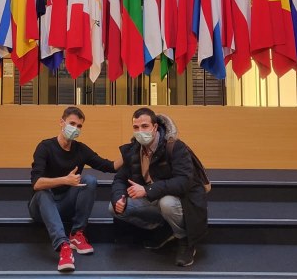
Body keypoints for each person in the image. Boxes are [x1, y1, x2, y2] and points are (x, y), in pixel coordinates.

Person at [110, 107, 208, 267]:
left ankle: (185, 241)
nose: (140, 131)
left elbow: (183, 181)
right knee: (113, 208)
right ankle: (167, 228)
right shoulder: (134, 149)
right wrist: (118, 198)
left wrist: (147, 190)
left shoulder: (174, 147)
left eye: (145, 126)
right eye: (136, 127)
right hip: (152, 197)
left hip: (182, 201)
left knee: (167, 203)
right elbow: (120, 179)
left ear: (155, 127)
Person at [29, 106, 122, 273]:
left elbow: (109, 166)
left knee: (90, 180)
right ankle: (63, 246)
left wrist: (130, 152)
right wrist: (65, 180)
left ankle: (77, 234)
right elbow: (36, 183)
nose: (76, 128)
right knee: (43, 192)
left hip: (65, 205)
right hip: (41, 207)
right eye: (72, 123)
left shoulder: (80, 149)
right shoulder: (45, 147)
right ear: (61, 122)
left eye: (79, 126)